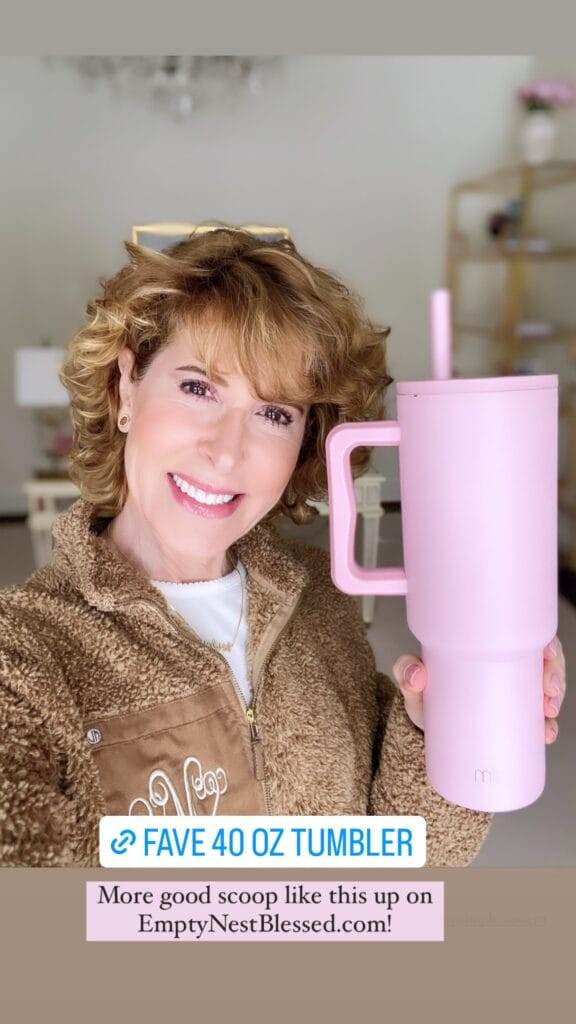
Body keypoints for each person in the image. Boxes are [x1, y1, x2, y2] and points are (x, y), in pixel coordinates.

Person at [0, 226, 565, 868]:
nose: (227, 450)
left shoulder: (320, 599)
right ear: (127, 386)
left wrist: (440, 732)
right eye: (198, 387)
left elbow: (406, 864)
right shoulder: (26, 654)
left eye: (274, 413)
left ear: (306, 440)